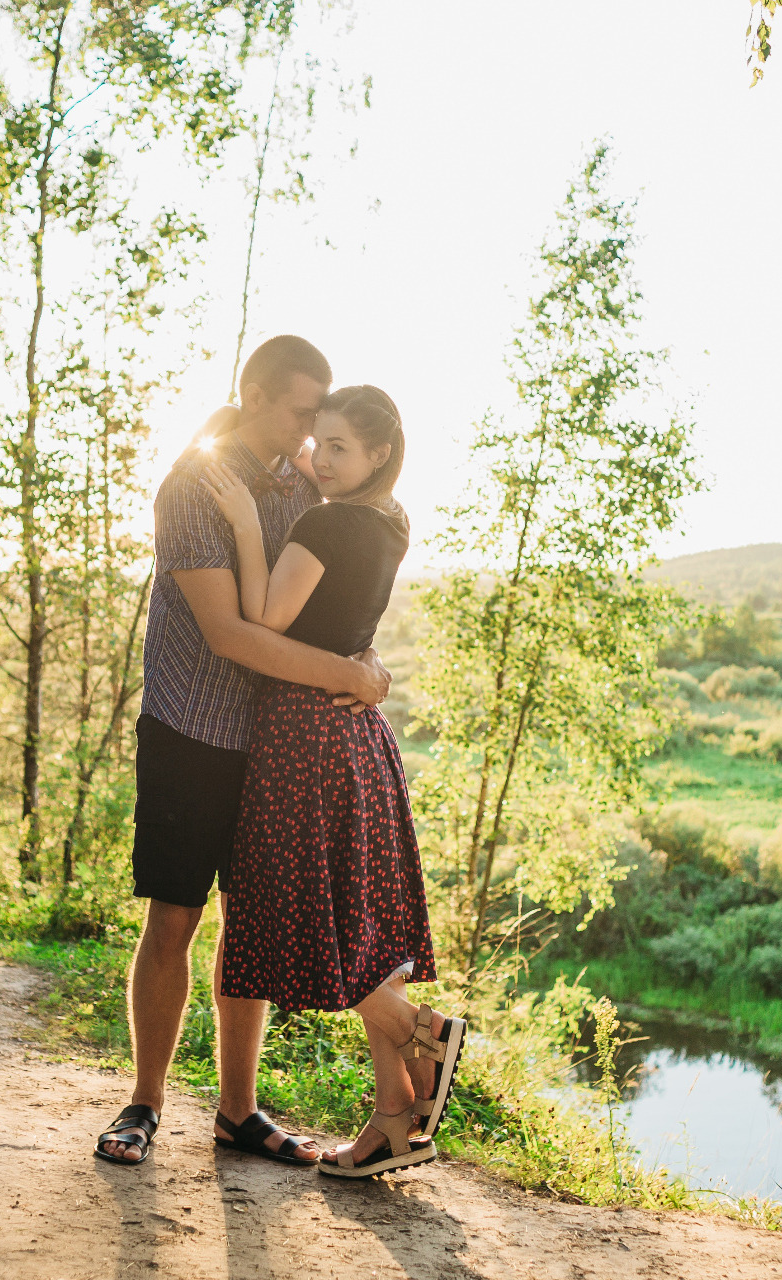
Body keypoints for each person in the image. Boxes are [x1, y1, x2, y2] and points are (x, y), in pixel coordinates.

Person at [94, 337, 392, 1169]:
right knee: (175, 916)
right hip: (191, 731)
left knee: (249, 925)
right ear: (255, 396)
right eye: (304, 411)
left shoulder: (306, 484)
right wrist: (345, 674)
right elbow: (230, 633)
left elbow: (322, 593)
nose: (314, 429)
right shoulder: (195, 485)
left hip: (273, 746)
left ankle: (238, 1114)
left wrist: (367, 661)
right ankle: (145, 1104)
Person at [201, 385, 463, 1179]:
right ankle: (393, 1121)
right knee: (361, 921)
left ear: (379, 454)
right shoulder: (391, 520)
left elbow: (264, 617)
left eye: (340, 447)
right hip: (356, 732)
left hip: (302, 736)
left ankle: (419, 1027)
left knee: (305, 915)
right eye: (318, 442)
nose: (319, 457)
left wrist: (248, 524)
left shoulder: (323, 522)